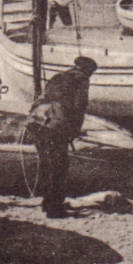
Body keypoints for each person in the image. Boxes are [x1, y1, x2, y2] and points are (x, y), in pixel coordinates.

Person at [29, 55, 98, 219]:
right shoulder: (82, 80)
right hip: (55, 124)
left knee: (47, 164)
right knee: (59, 167)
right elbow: (79, 107)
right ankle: (55, 209)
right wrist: (75, 131)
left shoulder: (58, 76)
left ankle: (46, 203)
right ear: (88, 70)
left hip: (37, 121)